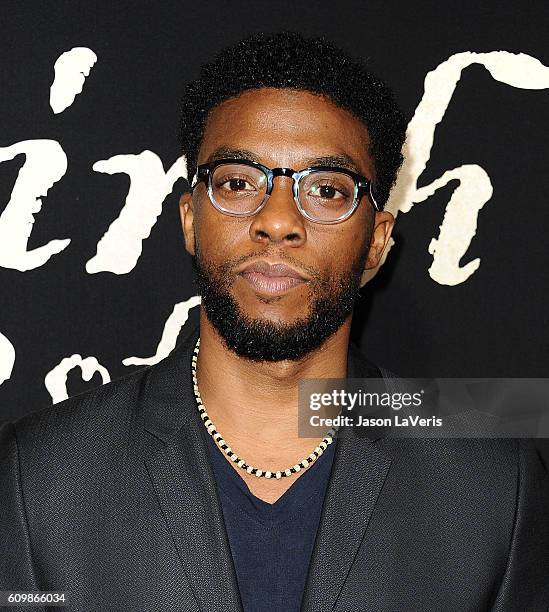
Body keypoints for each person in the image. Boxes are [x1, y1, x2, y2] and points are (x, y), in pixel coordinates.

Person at [1, 31, 548, 612]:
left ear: (377, 243)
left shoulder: (491, 483)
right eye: (239, 182)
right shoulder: (41, 479)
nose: (279, 220)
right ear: (190, 218)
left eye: (328, 190)